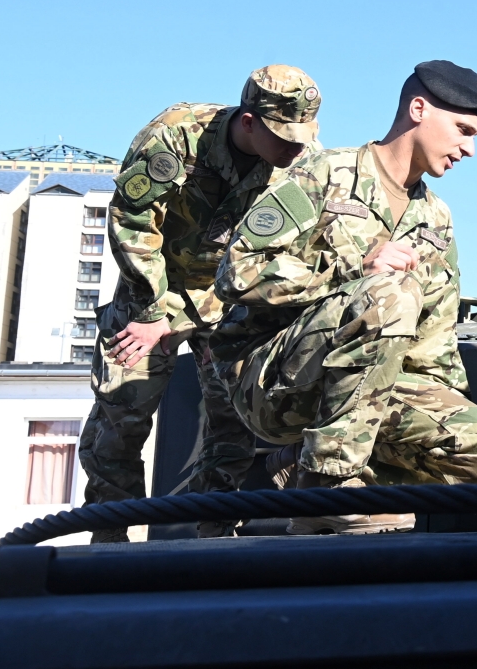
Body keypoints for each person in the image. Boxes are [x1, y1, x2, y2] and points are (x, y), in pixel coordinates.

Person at [213, 61, 477, 535]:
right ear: (418, 109)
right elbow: (236, 272)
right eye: (462, 130)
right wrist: (354, 270)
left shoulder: (436, 218)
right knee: (386, 295)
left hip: (363, 388)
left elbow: (435, 343)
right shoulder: (324, 174)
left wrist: (450, 426)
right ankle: (326, 486)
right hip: (272, 379)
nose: (470, 149)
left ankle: (309, 474)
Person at [79, 66, 322, 542]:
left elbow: (282, 250)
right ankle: (109, 538)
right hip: (153, 285)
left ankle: (216, 532)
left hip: (228, 295)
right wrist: (153, 315)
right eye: (283, 135)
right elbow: (132, 224)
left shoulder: (298, 163)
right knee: (121, 416)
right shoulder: (176, 136)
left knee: (231, 419)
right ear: (249, 121)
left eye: (303, 135)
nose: (296, 148)